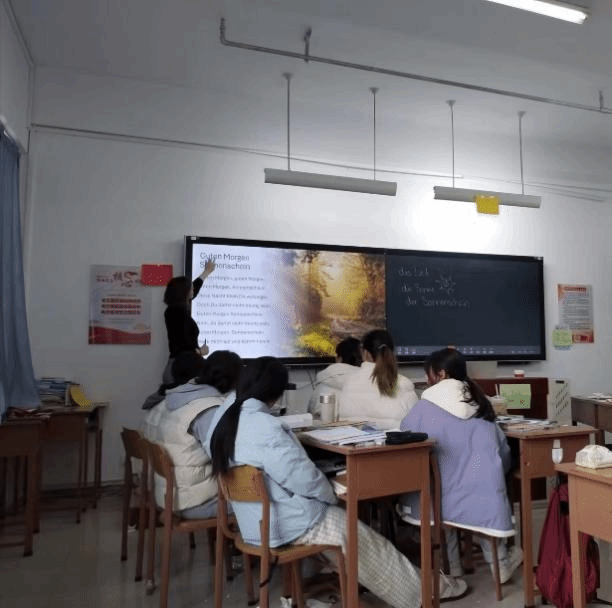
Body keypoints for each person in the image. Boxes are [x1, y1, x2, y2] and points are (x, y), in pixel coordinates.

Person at [206, 357, 468, 608]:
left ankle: (345, 580)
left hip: (251, 522)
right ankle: (424, 592)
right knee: (366, 541)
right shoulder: (265, 427)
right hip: (285, 524)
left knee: (346, 522)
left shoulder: (222, 418)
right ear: (274, 394)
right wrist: (329, 492)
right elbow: (303, 479)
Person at [398, 347, 523, 583]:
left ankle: (453, 568)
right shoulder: (481, 404)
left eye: (429, 374)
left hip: (439, 498)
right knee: (485, 497)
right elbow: (504, 452)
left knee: (441, 494)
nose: (427, 379)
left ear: (441, 374)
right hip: (484, 495)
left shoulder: (422, 409)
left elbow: (405, 446)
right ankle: (500, 566)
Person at [141, 350, 241, 519]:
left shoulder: (177, 400)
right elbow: (228, 460)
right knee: (264, 496)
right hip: (195, 502)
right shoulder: (208, 409)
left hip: (169, 495)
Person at [338, 329, 418, 429]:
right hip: (393, 439)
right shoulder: (404, 383)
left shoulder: (350, 381)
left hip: (353, 439)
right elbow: (415, 424)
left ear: (365, 353)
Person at [162, 257, 216, 384]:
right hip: (181, 369)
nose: (193, 290)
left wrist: (205, 273)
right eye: (190, 288)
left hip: (181, 366)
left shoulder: (174, 309)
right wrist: (200, 352)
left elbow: (194, 290)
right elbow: (184, 344)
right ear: (184, 292)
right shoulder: (177, 312)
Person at [307, 337, 362, 418]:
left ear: (339, 359)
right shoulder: (371, 384)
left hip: (325, 425)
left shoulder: (322, 386)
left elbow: (311, 414)